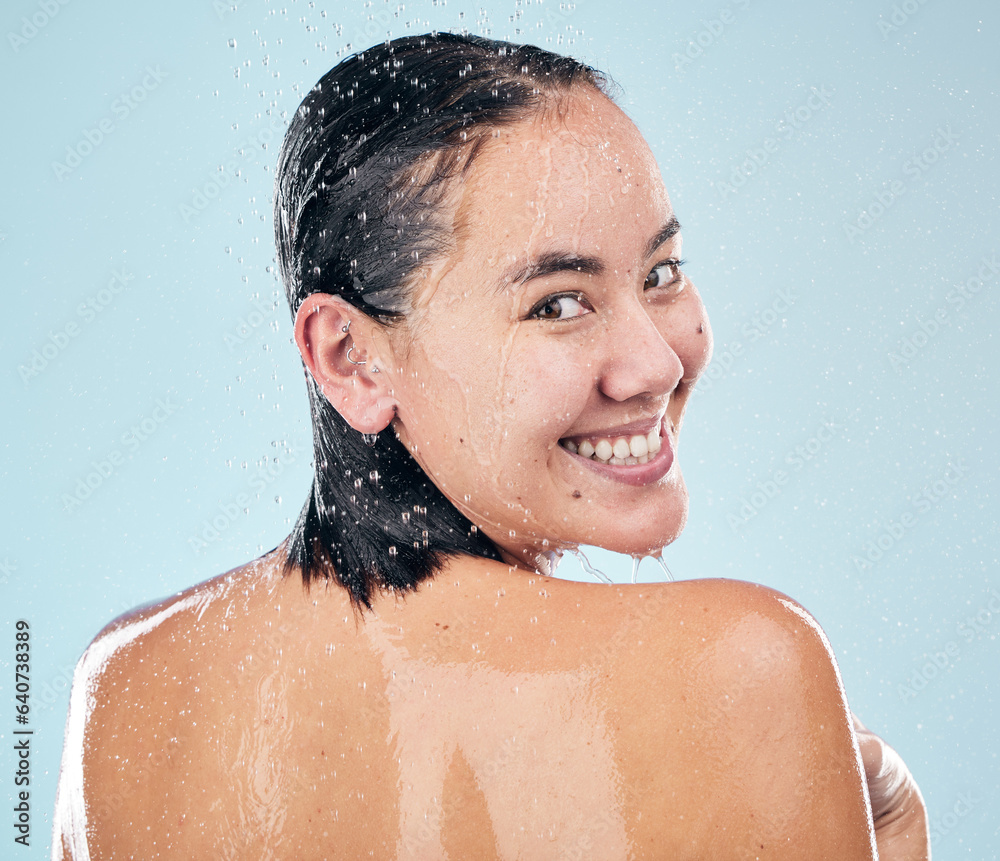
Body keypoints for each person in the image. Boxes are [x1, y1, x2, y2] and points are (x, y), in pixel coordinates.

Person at [52, 33, 928, 860]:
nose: (658, 363)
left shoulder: (123, 697)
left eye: (661, 274)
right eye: (558, 303)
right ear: (351, 357)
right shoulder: (736, 665)